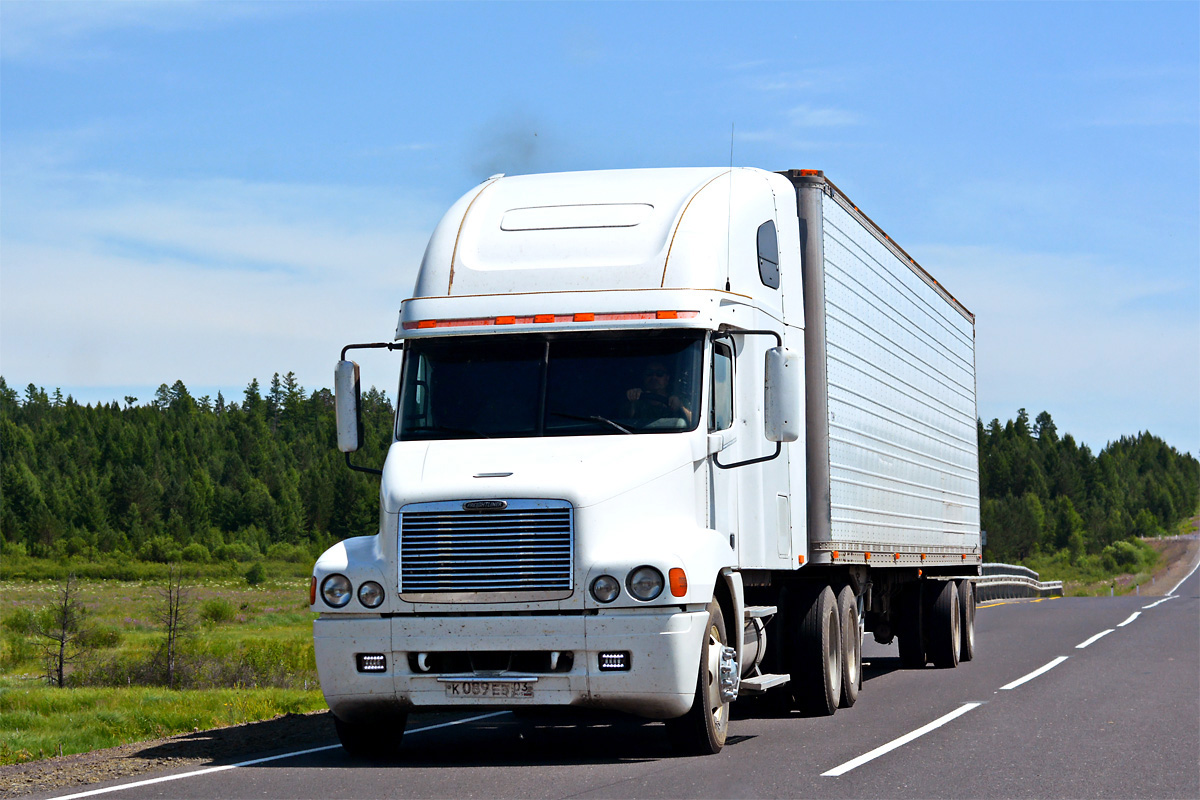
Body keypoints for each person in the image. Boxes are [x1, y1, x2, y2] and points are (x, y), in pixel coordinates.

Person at [625, 361, 692, 426]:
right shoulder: (637, 401)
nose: (654, 377)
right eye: (649, 373)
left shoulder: (679, 400)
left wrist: (680, 407)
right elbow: (623, 422)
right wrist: (632, 400)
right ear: (644, 377)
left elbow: (693, 421)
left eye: (660, 374)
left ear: (667, 378)